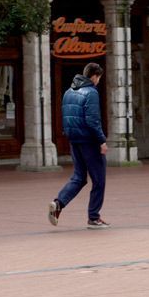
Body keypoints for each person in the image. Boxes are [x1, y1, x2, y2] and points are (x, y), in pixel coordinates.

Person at [48, 62, 110, 229]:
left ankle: (58, 204)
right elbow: (93, 120)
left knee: (79, 177)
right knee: (99, 180)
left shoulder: (69, 92)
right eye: (99, 78)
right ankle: (93, 218)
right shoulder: (91, 92)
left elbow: (66, 117)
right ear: (95, 76)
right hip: (90, 141)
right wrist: (102, 140)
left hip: (74, 140)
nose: (98, 81)